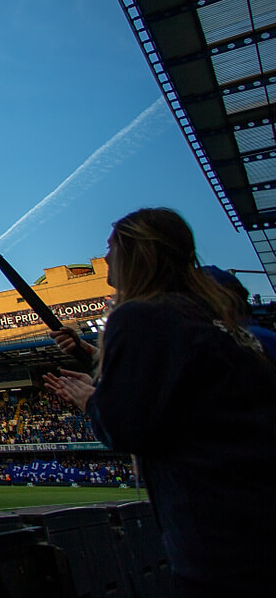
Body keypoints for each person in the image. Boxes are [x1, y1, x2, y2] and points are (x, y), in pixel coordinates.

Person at [44, 208, 276, 596]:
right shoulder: (219, 324)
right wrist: (92, 358)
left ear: (138, 253)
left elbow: (124, 426)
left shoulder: (139, 316)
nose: (104, 258)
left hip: (221, 542)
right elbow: (175, 387)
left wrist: (91, 400)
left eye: (111, 247)